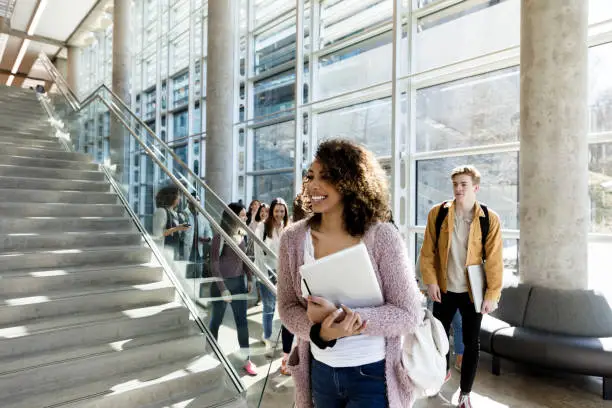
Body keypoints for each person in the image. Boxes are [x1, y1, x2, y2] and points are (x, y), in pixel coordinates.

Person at [278, 139, 423, 408]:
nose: (313, 185)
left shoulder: (382, 237)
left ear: (352, 182)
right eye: (310, 176)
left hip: (372, 375)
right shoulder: (293, 239)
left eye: (326, 176)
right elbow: (287, 307)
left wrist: (346, 320)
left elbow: (409, 314)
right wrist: (319, 332)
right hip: (319, 373)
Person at [419, 165, 503, 408]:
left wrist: (491, 295)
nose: (458, 188)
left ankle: (465, 393)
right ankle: (440, 375)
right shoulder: (438, 213)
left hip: (472, 294)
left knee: (470, 343)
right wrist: (431, 281)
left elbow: (495, 261)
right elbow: (427, 253)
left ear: (475, 188)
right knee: (438, 340)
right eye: (455, 184)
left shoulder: (489, 219)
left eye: (463, 184)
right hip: (443, 290)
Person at [209, 202, 257, 376]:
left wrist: (249, 277)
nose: (245, 217)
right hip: (221, 285)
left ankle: (247, 360)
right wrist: (223, 289)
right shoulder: (219, 236)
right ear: (232, 216)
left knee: (242, 323)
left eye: (245, 214)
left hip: (238, 284)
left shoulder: (241, 234)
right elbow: (214, 265)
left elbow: (244, 259)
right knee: (216, 322)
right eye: (242, 215)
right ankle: (213, 354)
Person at [254, 198, 289, 357]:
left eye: (282, 211)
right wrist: (264, 276)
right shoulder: (262, 227)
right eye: (277, 211)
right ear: (271, 211)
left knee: (282, 309)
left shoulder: (287, 228)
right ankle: (268, 338)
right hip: (266, 273)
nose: (279, 214)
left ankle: (277, 338)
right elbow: (258, 253)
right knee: (269, 308)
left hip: (283, 274)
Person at [152, 186, 191, 261]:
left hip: (175, 252)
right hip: (165, 252)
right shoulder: (161, 211)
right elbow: (158, 234)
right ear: (171, 197)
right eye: (178, 195)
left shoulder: (175, 213)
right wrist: (177, 228)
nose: (179, 198)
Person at [184, 193, 213, 279]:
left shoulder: (202, 216)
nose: (196, 202)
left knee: (198, 275)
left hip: (199, 251)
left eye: (198, 200)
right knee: (187, 276)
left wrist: (208, 238)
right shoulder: (184, 214)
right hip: (187, 250)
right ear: (188, 202)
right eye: (194, 200)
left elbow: (208, 230)